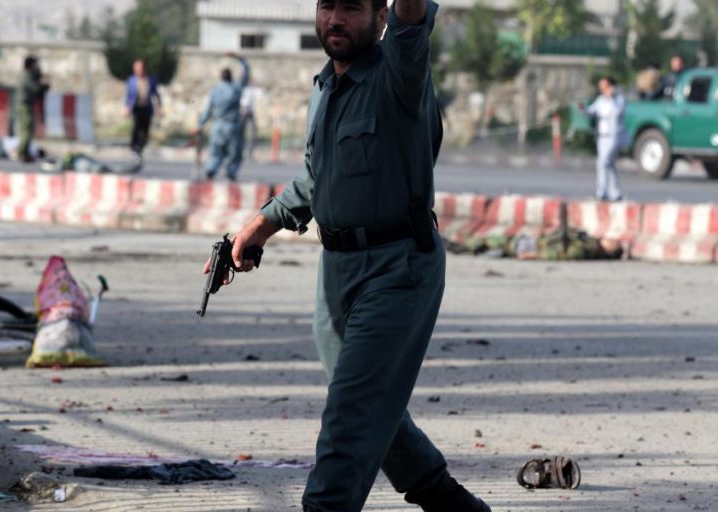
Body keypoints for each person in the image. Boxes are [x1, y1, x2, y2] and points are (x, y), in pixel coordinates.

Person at [205, 1, 491, 511]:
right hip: (335, 275)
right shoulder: (325, 86)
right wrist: (259, 227)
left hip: (396, 270)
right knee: (374, 410)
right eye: (327, 5)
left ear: (380, 17)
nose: (335, 18)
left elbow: (411, 22)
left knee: (350, 419)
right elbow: (315, 177)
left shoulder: (400, 73)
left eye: (352, 7)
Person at [196, 53, 250, 181]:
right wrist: (240, 58)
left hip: (218, 126)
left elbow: (209, 109)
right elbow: (246, 73)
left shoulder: (215, 90)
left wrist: (200, 124)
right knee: (234, 153)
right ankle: (231, 172)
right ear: (231, 77)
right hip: (232, 126)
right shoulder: (236, 88)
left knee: (216, 152)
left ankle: (211, 170)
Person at [580, 76, 627, 202]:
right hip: (602, 137)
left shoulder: (619, 99)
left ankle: (602, 191)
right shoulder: (600, 100)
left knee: (604, 162)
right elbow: (591, 111)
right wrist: (583, 109)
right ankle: (614, 192)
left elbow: (617, 112)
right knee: (609, 164)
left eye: (605, 86)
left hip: (614, 137)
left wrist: (611, 98)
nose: (603, 89)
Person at [125, 59, 161, 160]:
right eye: (136, 69)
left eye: (139, 69)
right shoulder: (131, 80)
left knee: (145, 130)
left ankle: (139, 148)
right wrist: (126, 107)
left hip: (147, 107)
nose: (138, 71)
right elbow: (128, 95)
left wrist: (159, 107)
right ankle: (133, 148)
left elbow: (156, 94)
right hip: (136, 107)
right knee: (136, 128)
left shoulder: (151, 79)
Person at [16, 55, 49, 163]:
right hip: (24, 105)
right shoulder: (26, 76)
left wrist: (38, 73)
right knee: (27, 129)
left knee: (27, 129)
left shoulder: (28, 75)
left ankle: (24, 152)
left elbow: (37, 80)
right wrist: (43, 87)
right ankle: (21, 152)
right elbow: (36, 88)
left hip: (26, 104)